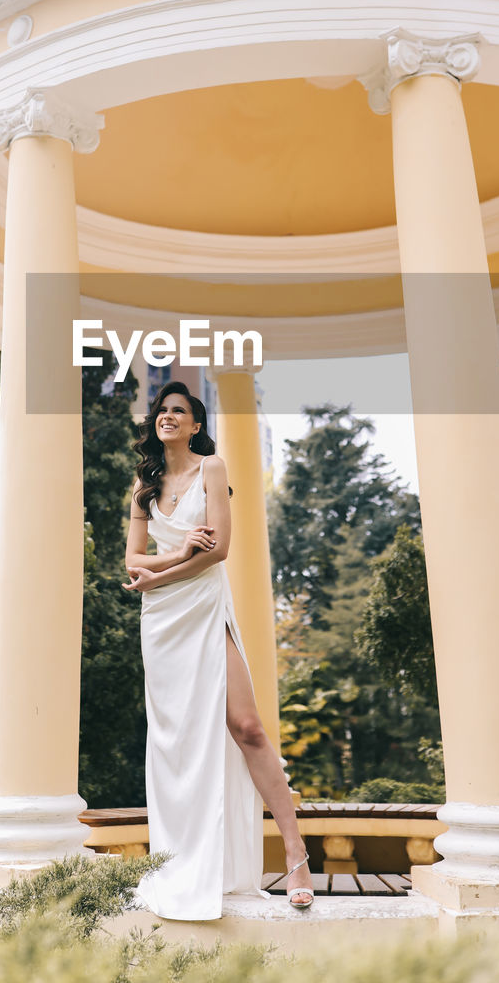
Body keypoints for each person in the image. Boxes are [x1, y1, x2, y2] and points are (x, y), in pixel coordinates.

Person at [122, 380, 313, 919]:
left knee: (247, 727)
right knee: (176, 744)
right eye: (162, 410)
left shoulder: (213, 468)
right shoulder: (143, 482)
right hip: (160, 622)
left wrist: (165, 569)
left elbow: (219, 551)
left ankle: (296, 855)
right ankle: (183, 863)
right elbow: (132, 562)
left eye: (179, 411)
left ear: (196, 424)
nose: (168, 417)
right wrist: (177, 552)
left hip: (205, 607)